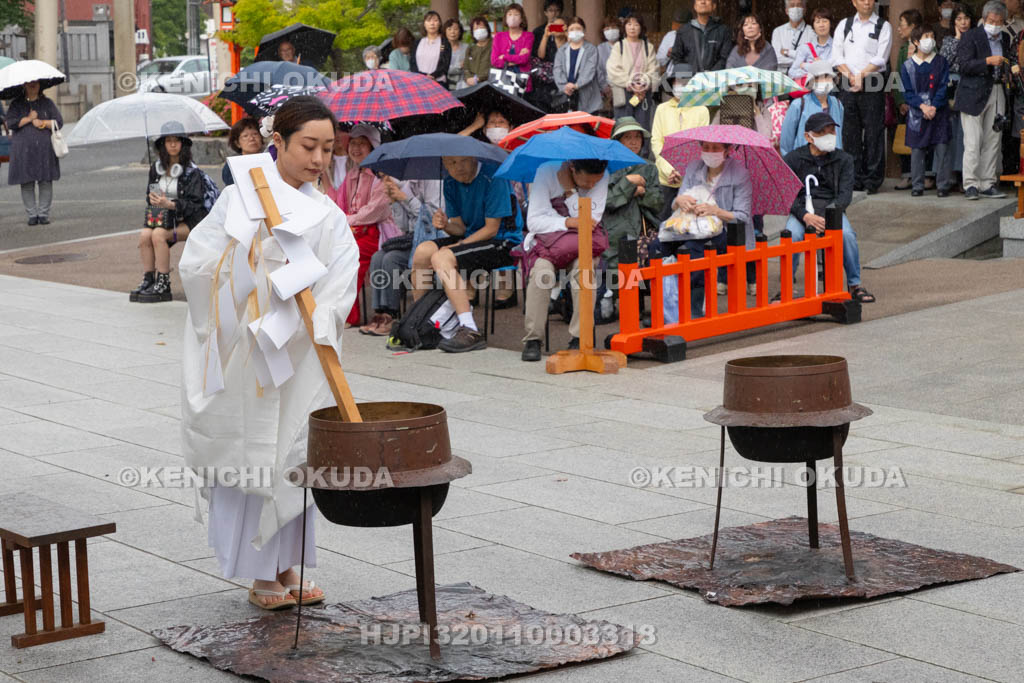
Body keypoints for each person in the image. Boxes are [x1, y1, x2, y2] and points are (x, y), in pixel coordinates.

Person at [179, 96, 358, 611]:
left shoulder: (329, 216)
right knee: (251, 450)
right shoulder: (242, 198)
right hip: (245, 349)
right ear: (277, 141)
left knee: (292, 454)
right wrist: (248, 274)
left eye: (328, 148)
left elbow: (340, 286)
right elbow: (199, 264)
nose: (319, 159)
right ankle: (260, 573)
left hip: (297, 353)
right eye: (308, 146)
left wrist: (309, 316)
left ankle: (287, 564)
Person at [410, 157, 518, 353]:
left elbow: (491, 229)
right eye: (450, 163)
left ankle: (470, 329)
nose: (456, 167)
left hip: (504, 241)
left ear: (473, 159)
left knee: (442, 257)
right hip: (470, 238)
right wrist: (445, 225)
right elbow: (459, 228)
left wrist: (457, 247)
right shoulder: (450, 182)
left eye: (461, 161)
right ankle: (422, 320)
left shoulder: (494, 176)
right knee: (423, 252)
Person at [520, 158, 609, 362]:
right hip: (549, 244)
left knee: (584, 269)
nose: (592, 186)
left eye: (596, 182)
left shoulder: (602, 175)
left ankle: (581, 336)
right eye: (587, 182)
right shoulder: (546, 170)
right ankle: (533, 338)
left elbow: (590, 221)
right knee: (541, 272)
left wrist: (570, 192)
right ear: (572, 168)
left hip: (583, 243)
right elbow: (534, 221)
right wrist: (568, 221)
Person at [783, 112, 874, 304]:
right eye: (822, 132)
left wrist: (828, 216)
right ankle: (786, 287)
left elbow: (845, 195)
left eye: (831, 131)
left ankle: (854, 284)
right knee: (791, 234)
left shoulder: (844, 159)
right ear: (809, 136)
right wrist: (806, 216)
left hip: (832, 210)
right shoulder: (793, 159)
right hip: (803, 211)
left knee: (847, 235)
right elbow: (788, 196)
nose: (828, 136)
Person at [663, 140, 751, 319]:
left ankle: (694, 308)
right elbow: (678, 202)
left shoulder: (739, 174)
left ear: (727, 150)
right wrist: (679, 200)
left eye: (716, 148)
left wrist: (715, 211)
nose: (710, 152)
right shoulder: (694, 167)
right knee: (658, 247)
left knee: (693, 250)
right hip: (689, 225)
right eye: (706, 147)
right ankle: (668, 307)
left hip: (725, 231)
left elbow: (743, 216)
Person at [131, 122, 215, 303]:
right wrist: (153, 200)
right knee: (145, 234)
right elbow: (150, 195)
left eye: (177, 141)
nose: (173, 145)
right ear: (162, 144)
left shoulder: (192, 172)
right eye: (168, 141)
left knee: (158, 235)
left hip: (191, 221)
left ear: (184, 144)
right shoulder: (156, 168)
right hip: (166, 219)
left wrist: (171, 204)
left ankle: (164, 283)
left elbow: (196, 204)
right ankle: (148, 279)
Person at [360, 176, 443, 336]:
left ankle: (391, 314)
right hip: (413, 237)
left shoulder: (434, 182)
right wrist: (394, 202)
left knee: (392, 259)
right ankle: (380, 313)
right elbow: (403, 225)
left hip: (431, 238)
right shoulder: (408, 183)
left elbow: (430, 218)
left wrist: (405, 198)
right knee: (378, 257)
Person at [333, 124, 392, 327]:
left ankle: (349, 315)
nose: (356, 148)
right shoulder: (353, 174)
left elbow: (375, 210)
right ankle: (334, 309)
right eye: (353, 143)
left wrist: (347, 221)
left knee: (348, 258)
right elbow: (339, 205)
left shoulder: (382, 175)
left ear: (373, 147)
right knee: (330, 252)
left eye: (362, 144)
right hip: (355, 231)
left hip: (377, 232)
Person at [833, 0, 893, 195]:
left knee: (874, 133)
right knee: (850, 133)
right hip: (847, 82)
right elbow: (837, 55)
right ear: (854, 2)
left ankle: (872, 179)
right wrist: (851, 76)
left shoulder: (883, 26)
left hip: (872, 83)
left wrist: (861, 75)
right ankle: (854, 177)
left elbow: (881, 57)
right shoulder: (845, 24)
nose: (866, 2)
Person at [957, 1, 1011, 199]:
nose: (995, 25)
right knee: (973, 140)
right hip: (973, 92)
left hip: (997, 90)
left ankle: (987, 182)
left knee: (993, 138)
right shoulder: (971, 36)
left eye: (999, 22)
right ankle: (970, 183)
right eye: (991, 21)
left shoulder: (1004, 38)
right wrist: (987, 62)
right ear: (984, 18)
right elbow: (964, 66)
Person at [651, 63, 711, 219]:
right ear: (672, 84)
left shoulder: (702, 110)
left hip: (691, 179)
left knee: (689, 223)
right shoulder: (662, 109)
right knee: (663, 225)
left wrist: (683, 170)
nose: (682, 86)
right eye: (679, 82)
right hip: (665, 179)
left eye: (687, 83)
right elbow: (657, 142)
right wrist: (669, 170)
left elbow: (701, 145)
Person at [901, 25, 953, 197]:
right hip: (917, 113)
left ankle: (943, 185)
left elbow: (943, 86)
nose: (929, 40)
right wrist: (922, 106)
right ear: (916, 42)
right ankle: (917, 185)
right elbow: (907, 92)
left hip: (939, 111)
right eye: (925, 36)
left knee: (942, 147)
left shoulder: (941, 62)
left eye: (931, 36)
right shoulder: (907, 65)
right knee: (917, 150)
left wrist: (934, 106)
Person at [604, 117, 662, 269]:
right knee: (618, 281)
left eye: (637, 136)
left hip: (643, 233)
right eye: (627, 137)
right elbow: (606, 201)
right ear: (618, 141)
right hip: (612, 232)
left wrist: (642, 193)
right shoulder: (607, 167)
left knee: (644, 283)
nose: (634, 141)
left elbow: (658, 203)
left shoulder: (649, 167)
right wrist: (629, 184)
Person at [6, 80, 62, 226]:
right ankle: (32, 214)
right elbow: (11, 123)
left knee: (45, 180)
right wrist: (29, 119)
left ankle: (43, 214)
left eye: (35, 83)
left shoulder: (47, 103)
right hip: (23, 149)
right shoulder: (16, 104)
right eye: (29, 82)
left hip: (44, 149)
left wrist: (43, 122)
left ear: (40, 85)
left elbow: (59, 122)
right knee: (26, 181)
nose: (33, 85)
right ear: (23, 85)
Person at [780, 60, 845, 157]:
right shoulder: (798, 105)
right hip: (804, 162)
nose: (824, 81)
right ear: (811, 81)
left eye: (827, 77)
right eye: (819, 78)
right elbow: (786, 142)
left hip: (833, 162)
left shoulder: (838, 104)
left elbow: (838, 135)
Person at [606, 14, 660, 131]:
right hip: (624, 92)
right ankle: (623, 150)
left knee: (642, 126)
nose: (632, 27)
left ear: (641, 28)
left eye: (636, 24)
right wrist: (630, 83)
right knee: (623, 126)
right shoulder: (618, 46)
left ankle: (643, 149)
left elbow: (654, 69)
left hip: (643, 93)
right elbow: (613, 69)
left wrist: (643, 83)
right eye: (629, 24)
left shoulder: (648, 46)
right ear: (624, 27)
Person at [942, 4, 973, 191]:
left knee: (966, 133)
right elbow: (943, 63)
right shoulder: (948, 40)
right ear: (954, 22)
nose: (963, 23)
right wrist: (958, 40)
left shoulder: (977, 39)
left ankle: (965, 175)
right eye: (959, 19)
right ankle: (949, 174)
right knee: (950, 132)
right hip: (952, 88)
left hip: (970, 87)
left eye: (966, 18)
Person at [893, 9, 924, 191]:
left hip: (923, 102)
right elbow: (897, 77)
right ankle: (907, 175)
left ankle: (925, 175)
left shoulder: (928, 47)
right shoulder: (903, 48)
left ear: (913, 27)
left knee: (924, 139)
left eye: (902, 25)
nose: (899, 29)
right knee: (905, 138)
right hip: (906, 103)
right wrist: (900, 101)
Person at [669, 0, 732, 73]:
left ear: (714, 6)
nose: (703, 2)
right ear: (695, 6)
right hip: (689, 80)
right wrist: (686, 76)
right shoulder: (684, 30)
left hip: (714, 80)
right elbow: (676, 57)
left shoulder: (723, 30)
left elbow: (725, 57)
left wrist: (711, 74)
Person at [554, 17, 601, 114]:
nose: (575, 31)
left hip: (587, 95)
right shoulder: (561, 50)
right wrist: (564, 86)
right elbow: (557, 70)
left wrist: (576, 85)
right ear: (567, 32)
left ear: (584, 31)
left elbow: (589, 70)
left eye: (578, 29)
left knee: (587, 127)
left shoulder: (591, 49)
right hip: (566, 95)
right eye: (571, 29)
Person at [491, 4, 534, 85]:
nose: (512, 17)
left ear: (522, 18)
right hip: (502, 82)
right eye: (509, 14)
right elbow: (494, 61)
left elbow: (524, 59)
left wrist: (504, 57)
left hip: (522, 82)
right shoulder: (498, 36)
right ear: (505, 18)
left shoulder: (528, 36)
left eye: (516, 14)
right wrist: (517, 59)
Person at [789, 8, 835, 81]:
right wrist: (813, 71)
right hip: (809, 90)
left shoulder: (837, 47)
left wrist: (806, 65)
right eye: (817, 22)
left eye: (825, 21)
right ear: (813, 26)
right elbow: (792, 72)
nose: (821, 25)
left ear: (831, 24)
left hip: (832, 90)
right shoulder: (805, 48)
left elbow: (836, 71)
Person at [772, 0, 815, 74]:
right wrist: (801, 61)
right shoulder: (778, 31)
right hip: (782, 77)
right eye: (792, 5)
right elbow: (776, 59)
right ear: (786, 10)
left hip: (803, 78)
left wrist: (787, 52)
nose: (795, 8)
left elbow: (812, 59)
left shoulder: (812, 32)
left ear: (804, 10)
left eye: (799, 5)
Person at [411, 11, 452, 85]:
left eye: (435, 20)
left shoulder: (445, 43)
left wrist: (433, 76)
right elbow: (413, 63)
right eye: (429, 20)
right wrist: (423, 76)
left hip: (438, 82)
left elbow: (445, 65)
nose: (432, 23)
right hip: (418, 82)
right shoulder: (417, 43)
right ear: (424, 24)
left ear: (439, 24)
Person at [222, 117, 263, 186]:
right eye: (245, 136)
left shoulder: (271, 159)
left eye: (255, 134)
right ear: (237, 143)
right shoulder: (232, 164)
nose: (251, 138)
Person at [597, 17, 621, 115]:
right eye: (607, 28)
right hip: (604, 92)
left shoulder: (625, 46)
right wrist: (605, 87)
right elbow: (597, 69)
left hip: (622, 88)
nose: (610, 31)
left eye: (613, 27)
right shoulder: (599, 48)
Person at [463, 16, 494, 87]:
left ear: (487, 28)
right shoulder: (471, 47)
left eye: (481, 27)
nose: (479, 30)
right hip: (471, 84)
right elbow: (466, 66)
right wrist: (468, 78)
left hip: (489, 83)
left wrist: (479, 78)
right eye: (476, 28)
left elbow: (495, 65)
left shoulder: (494, 44)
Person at [445, 19, 467, 90]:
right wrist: (459, 66)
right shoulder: (440, 49)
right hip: (445, 84)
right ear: (445, 31)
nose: (452, 32)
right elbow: (442, 69)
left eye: (455, 29)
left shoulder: (466, 48)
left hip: (462, 85)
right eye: (449, 29)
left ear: (460, 31)